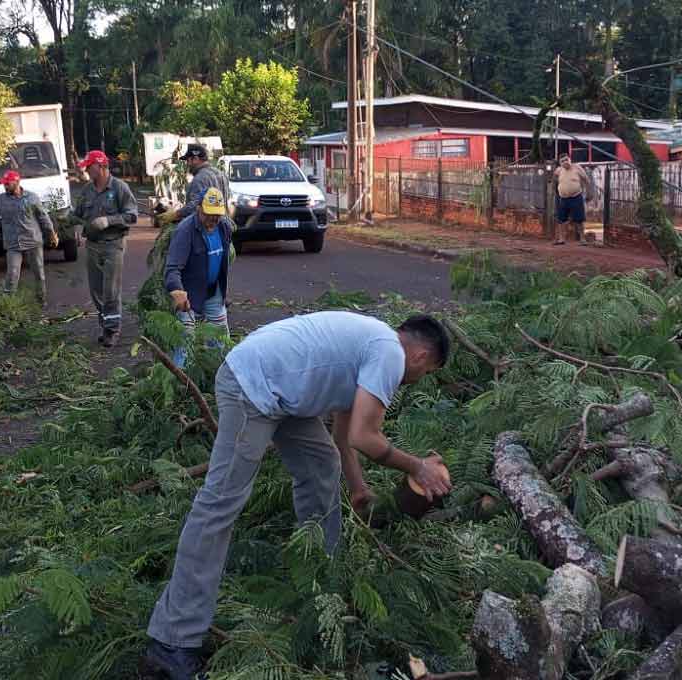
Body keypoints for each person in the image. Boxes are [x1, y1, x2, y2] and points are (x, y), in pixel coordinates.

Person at [140, 311, 453, 680]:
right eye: (428, 372)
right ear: (421, 357)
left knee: (322, 466)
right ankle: (173, 640)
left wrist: (358, 489)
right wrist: (417, 467)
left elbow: (344, 431)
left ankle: (324, 593)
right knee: (220, 504)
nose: (419, 379)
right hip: (252, 386)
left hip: (279, 391)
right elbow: (365, 438)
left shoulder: (373, 344)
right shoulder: (390, 354)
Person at [74, 150, 139, 347]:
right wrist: (70, 225)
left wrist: (109, 221)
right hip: (92, 246)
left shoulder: (119, 188)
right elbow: (77, 215)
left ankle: (112, 330)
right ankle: (105, 324)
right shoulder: (86, 190)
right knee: (96, 290)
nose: (86, 169)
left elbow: (132, 216)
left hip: (113, 245)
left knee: (110, 290)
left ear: (101, 166)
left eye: (89, 166)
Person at [164, 186, 234, 368]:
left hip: (213, 293)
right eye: (209, 214)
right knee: (185, 340)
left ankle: (217, 375)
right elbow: (172, 268)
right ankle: (181, 381)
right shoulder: (185, 231)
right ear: (198, 209)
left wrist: (224, 291)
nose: (213, 219)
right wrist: (177, 291)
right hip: (189, 294)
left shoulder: (224, 227)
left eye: (217, 215)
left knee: (220, 340)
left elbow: (223, 262)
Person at [0, 169, 57, 305]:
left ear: (17, 182)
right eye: (4, 184)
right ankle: (9, 304)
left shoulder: (32, 198)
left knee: (39, 273)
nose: (5, 186)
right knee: (12, 274)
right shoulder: (1, 200)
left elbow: (43, 216)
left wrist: (52, 233)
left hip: (33, 241)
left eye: (7, 183)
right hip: (13, 243)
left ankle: (41, 300)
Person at [176, 143, 230, 220]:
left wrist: (177, 214)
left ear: (195, 159)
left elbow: (194, 206)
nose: (187, 164)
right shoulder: (221, 174)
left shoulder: (199, 178)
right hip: (222, 224)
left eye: (188, 161)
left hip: (205, 226)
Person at [552, 154, 593, 246]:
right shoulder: (559, 170)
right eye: (562, 161)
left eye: (566, 159)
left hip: (576, 197)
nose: (565, 162)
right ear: (560, 163)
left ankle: (582, 239)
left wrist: (589, 192)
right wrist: (555, 191)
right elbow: (554, 180)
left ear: (570, 159)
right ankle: (561, 239)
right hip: (563, 198)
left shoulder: (577, 168)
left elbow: (586, 180)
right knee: (561, 219)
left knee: (579, 219)